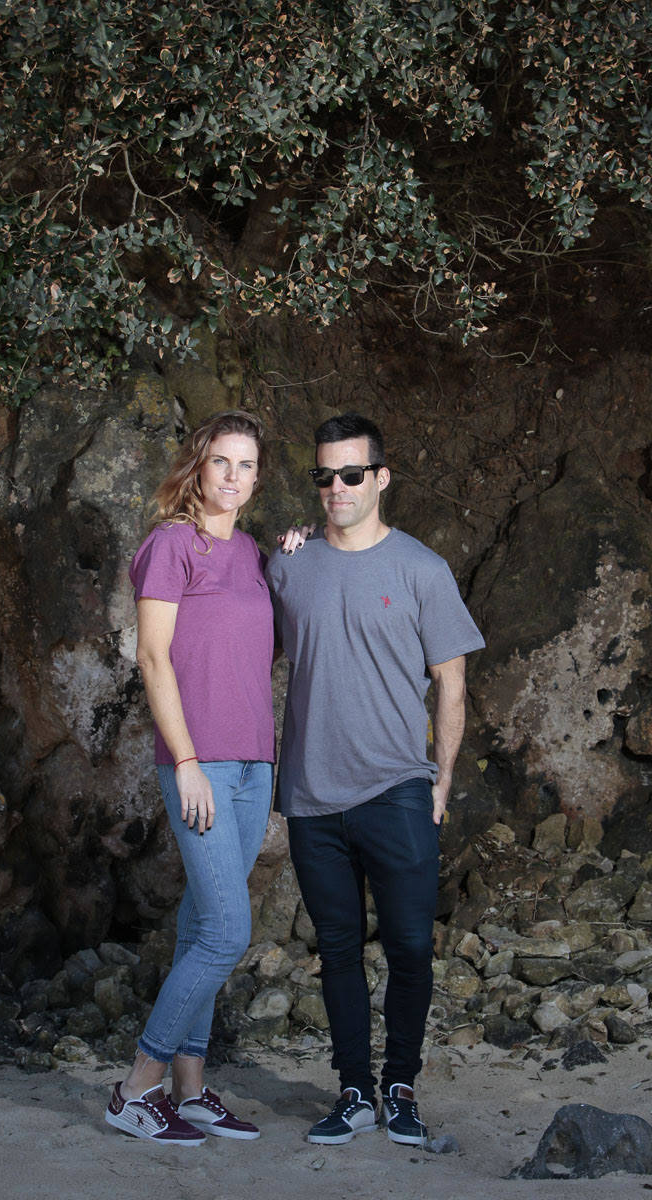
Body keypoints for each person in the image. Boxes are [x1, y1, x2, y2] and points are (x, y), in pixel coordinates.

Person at [266, 411, 484, 1148]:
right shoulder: (288, 566)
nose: (336, 488)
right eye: (323, 476)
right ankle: (354, 1090)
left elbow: (452, 685)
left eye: (351, 474)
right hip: (310, 798)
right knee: (336, 949)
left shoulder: (422, 569)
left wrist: (441, 785)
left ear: (381, 478)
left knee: (411, 947)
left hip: (398, 788)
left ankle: (401, 1086)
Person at [106, 410, 279, 1146]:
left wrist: (296, 550)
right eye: (221, 463)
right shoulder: (170, 546)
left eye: (246, 466)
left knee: (205, 925)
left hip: (255, 763)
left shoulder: (254, 554)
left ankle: (190, 1088)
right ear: (197, 467)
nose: (233, 477)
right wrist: (184, 763)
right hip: (199, 762)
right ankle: (135, 1089)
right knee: (228, 932)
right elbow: (153, 659)